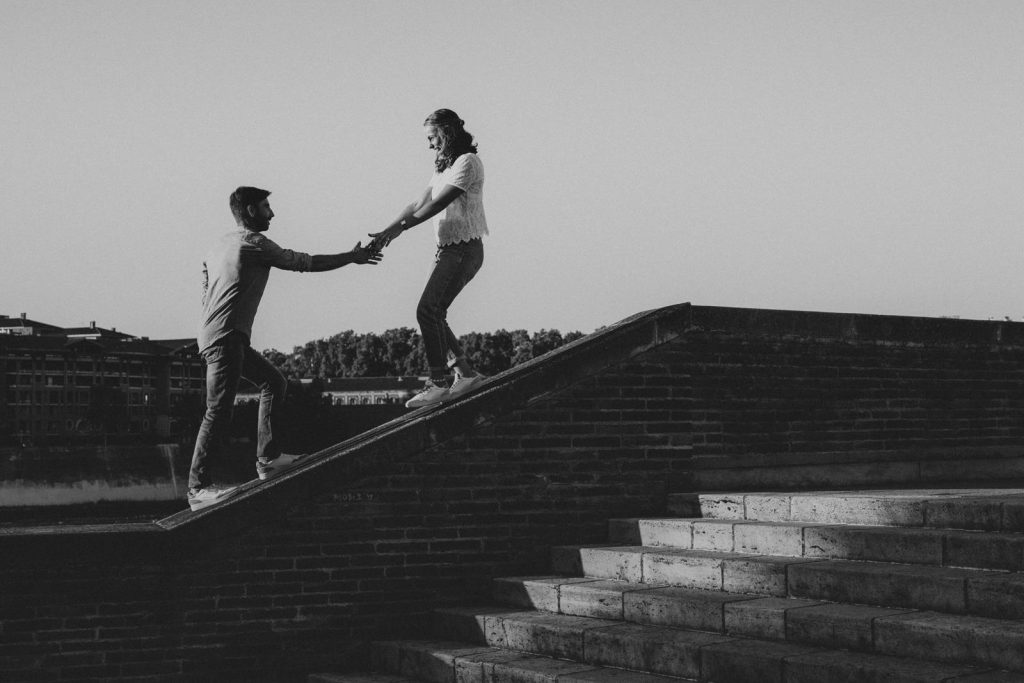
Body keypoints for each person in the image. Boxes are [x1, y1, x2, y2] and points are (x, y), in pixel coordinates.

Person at [187, 186, 382, 511]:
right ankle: (197, 489)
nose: (272, 214)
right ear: (250, 211)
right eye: (266, 207)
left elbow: (206, 286)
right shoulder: (255, 244)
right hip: (225, 337)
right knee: (218, 410)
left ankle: (268, 459)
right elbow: (305, 263)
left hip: (217, 334)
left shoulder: (218, 245)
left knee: (273, 383)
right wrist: (352, 257)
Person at [369, 109, 488, 408]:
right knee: (434, 312)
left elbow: (438, 205)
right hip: (448, 249)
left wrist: (402, 228)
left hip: (463, 249)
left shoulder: (467, 162)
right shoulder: (444, 166)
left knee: (427, 310)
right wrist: (388, 230)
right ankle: (465, 373)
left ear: (447, 132)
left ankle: (438, 382)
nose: (430, 144)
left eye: (433, 137)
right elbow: (419, 202)